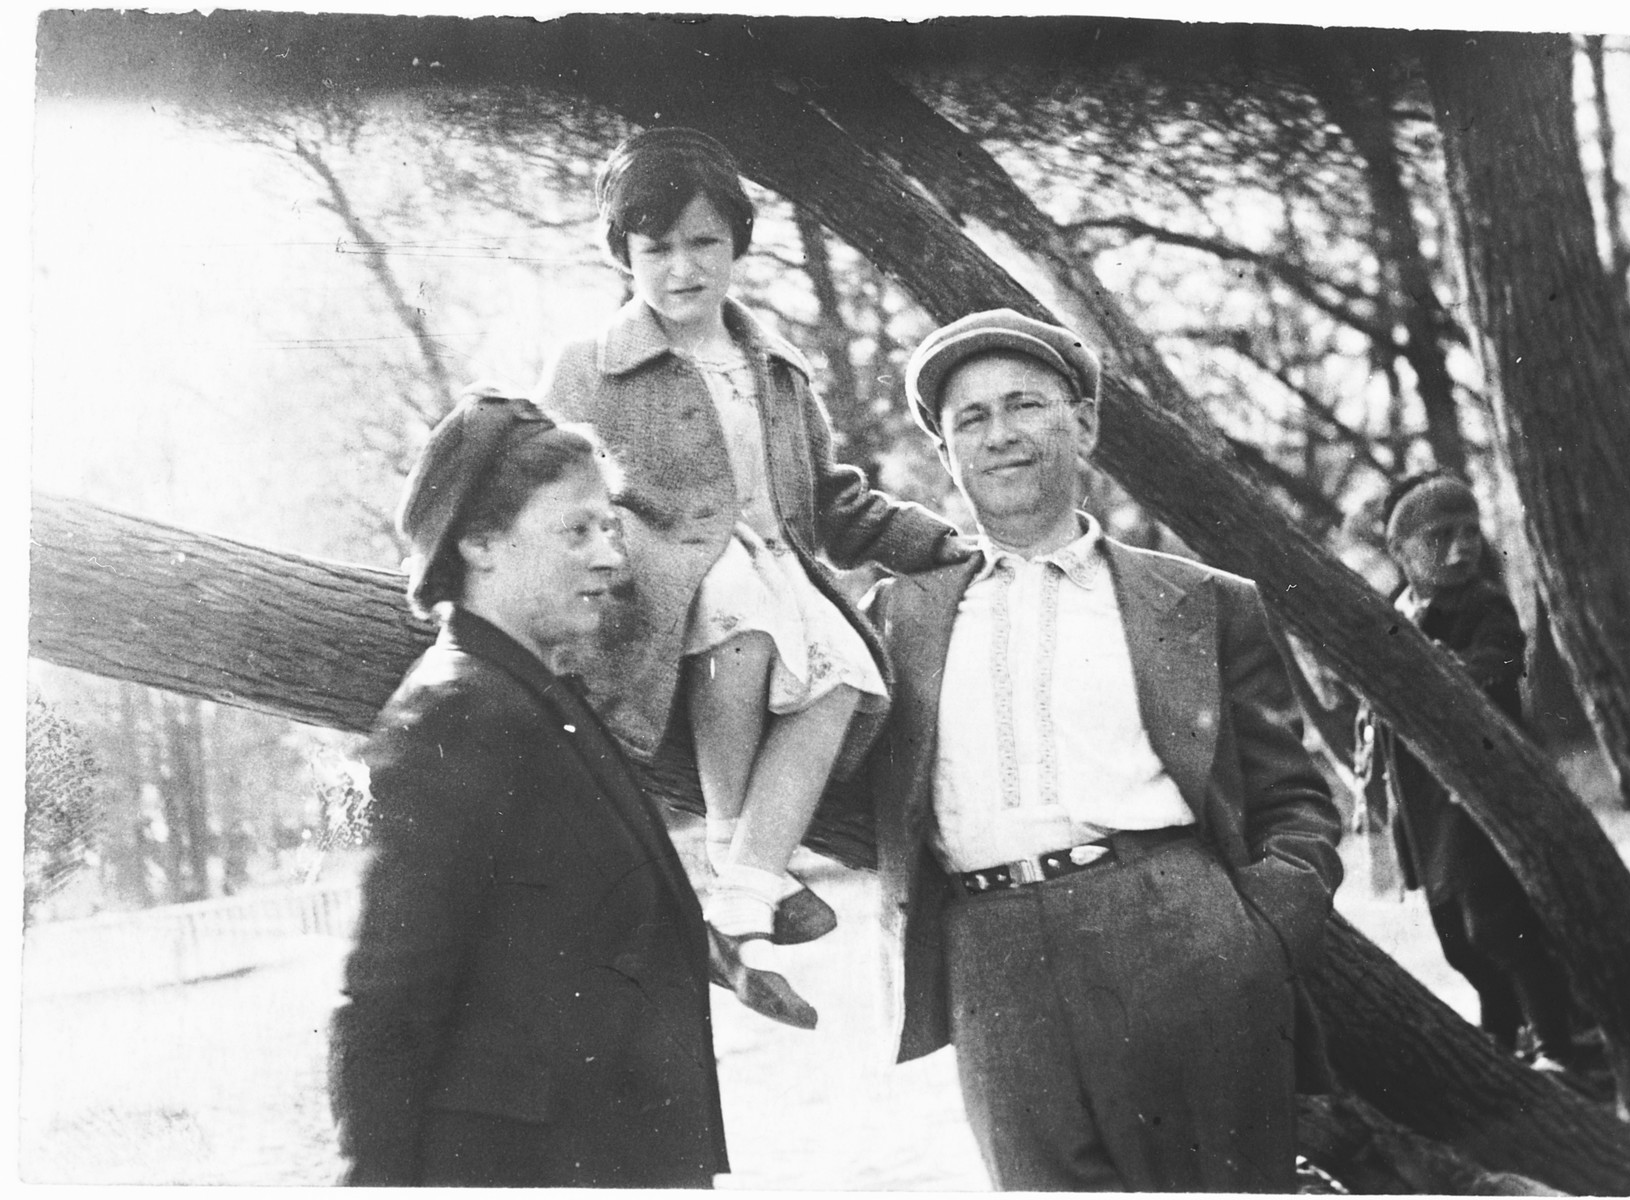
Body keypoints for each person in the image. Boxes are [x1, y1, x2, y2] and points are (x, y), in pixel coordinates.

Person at [856, 309, 1344, 1191]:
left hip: (1174, 934)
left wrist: (1261, 937)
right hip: (990, 959)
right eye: (971, 419)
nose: (1000, 434)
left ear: (1082, 425)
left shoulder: (1200, 599)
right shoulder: (900, 616)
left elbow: (1292, 797)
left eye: (1026, 405)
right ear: (946, 454)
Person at [540, 127, 968, 1024]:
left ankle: (745, 892)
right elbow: (550, 494)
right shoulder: (588, 369)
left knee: (851, 676)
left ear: (738, 244)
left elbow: (830, 502)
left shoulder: (777, 368)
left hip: (782, 570)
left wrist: (932, 541)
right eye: (655, 248)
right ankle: (736, 862)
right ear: (623, 254)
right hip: (667, 578)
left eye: (704, 242)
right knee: (743, 617)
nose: (682, 268)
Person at [327, 389, 731, 1186]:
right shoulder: (457, 712)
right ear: (479, 542)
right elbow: (386, 995)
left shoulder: (533, 693)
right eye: (576, 531)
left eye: (609, 528)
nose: (612, 557)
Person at [1353, 471, 1586, 1072]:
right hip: (1423, 796)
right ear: (1402, 552)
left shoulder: (1483, 602)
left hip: (1479, 785)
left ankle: (1555, 1043)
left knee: (1494, 920)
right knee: (1454, 935)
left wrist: (1442, 669)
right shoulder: (1390, 611)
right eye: (1439, 536)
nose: (1461, 548)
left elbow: (1499, 662)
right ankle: (1501, 1039)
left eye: (1470, 533)